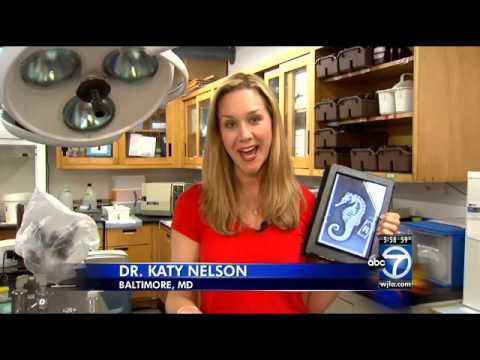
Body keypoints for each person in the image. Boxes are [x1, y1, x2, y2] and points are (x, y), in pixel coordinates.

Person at [166, 73, 400, 314]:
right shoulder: (193, 203)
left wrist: (361, 246)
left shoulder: (306, 204)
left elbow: (309, 305)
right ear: (219, 135)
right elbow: (178, 295)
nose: (244, 134)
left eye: (255, 119)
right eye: (230, 124)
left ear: (273, 124)